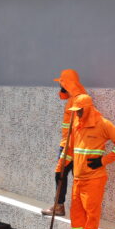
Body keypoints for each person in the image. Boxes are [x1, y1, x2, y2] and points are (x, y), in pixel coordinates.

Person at [58, 94, 115, 229]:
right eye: (75, 111)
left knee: (91, 214)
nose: (78, 114)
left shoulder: (102, 124)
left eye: (80, 111)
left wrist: (103, 160)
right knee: (76, 214)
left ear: (88, 108)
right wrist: (60, 167)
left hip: (94, 178)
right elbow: (70, 149)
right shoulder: (76, 124)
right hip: (78, 178)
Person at [44, 69, 89, 216]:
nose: (60, 86)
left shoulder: (79, 99)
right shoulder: (74, 97)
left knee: (62, 174)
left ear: (67, 83)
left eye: (61, 83)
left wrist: (67, 149)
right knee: (64, 175)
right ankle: (61, 205)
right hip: (69, 143)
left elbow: (79, 126)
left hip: (70, 145)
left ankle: (61, 206)